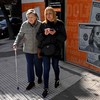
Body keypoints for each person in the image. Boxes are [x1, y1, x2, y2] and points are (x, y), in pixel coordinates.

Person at [36, 6, 66, 98]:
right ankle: (46, 88)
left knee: (55, 66)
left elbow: (64, 38)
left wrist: (55, 33)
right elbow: (38, 37)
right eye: (46, 14)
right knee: (46, 69)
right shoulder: (43, 24)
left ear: (53, 13)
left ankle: (57, 79)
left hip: (56, 50)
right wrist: (44, 34)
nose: (48, 15)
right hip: (45, 51)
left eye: (50, 13)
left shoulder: (60, 23)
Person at [13, 9, 43, 90]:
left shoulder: (40, 24)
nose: (30, 19)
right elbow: (20, 35)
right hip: (27, 50)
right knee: (29, 66)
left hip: (38, 50)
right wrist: (16, 43)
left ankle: (39, 76)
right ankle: (31, 82)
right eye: (28, 17)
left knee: (38, 66)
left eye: (32, 17)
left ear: (36, 17)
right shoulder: (24, 25)